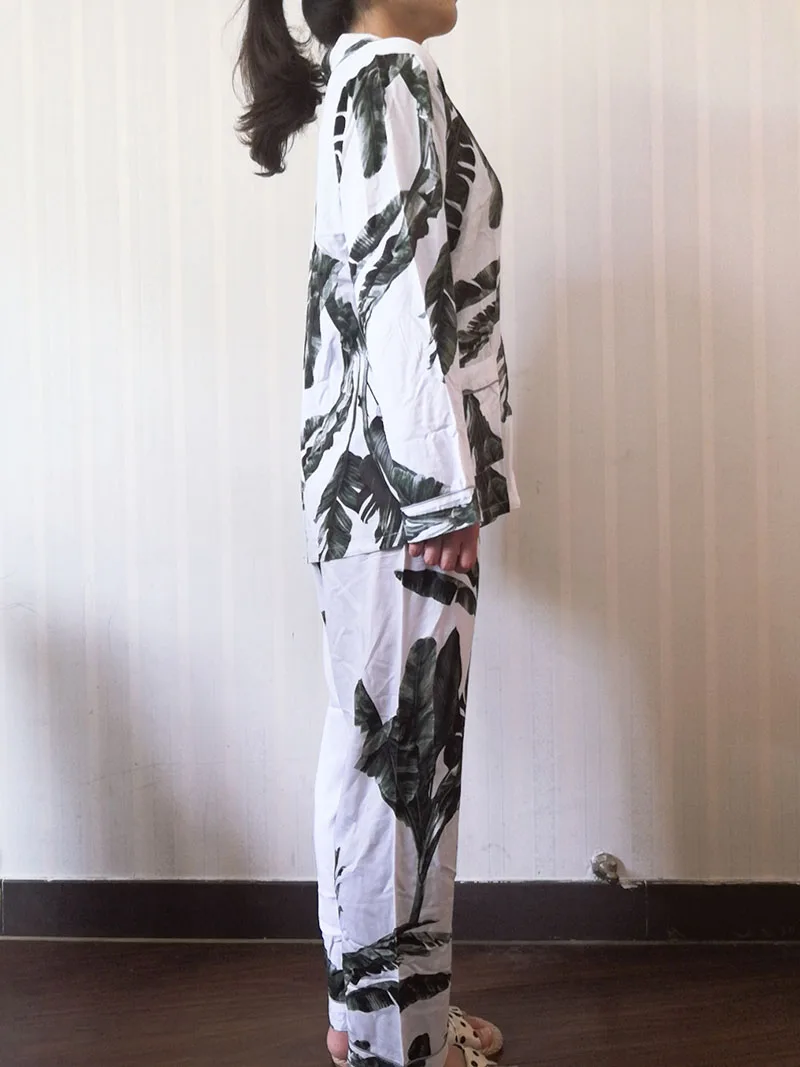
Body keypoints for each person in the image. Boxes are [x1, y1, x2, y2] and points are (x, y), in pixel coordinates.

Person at [236, 2, 520, 1065]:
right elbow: (398, 294)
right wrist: (439, 488)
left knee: (381, 763)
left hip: (376, 488)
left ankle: (373, 1022)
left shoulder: (373, 79)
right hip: (401, 494)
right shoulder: (389, 76)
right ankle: (400, 1045)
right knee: (402, 773)